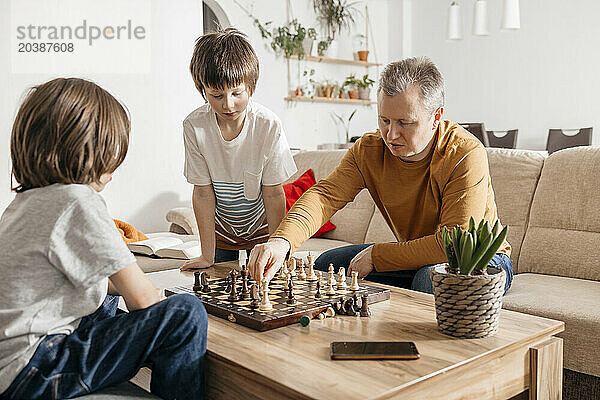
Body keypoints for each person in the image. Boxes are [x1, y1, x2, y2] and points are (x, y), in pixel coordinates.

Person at [0, 78, 207, 400]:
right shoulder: (76, 199)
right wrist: (155, 310)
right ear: (85, 151)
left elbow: (70, 286)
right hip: (36, 369)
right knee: (186, 313)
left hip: (11, 364)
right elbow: (143, 299)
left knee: (101, 293)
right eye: (113, 153)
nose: (116, 167)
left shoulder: (23, 204)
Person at [248, 57, 513, 294]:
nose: (391, 134)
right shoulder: (369, 149)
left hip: (481, 260)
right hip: (419, 255)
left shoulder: (465, 153)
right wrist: (281, 242)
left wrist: (378, 255)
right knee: (327, 265)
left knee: (428, 279)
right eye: (384, 120)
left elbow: (451, 245)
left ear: (436, 117)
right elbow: (324, 196)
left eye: (404, 123)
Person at [181, 28, 297, 270]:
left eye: (236, 93)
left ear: (251, 86)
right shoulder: (194, 125)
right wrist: (206, 255)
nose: (228, 104)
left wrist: (277, 246)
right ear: (203, 89)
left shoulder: (268, 124)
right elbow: (203, 193)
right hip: (221, 235)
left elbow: (274, 194)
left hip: (264, 232)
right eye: (216, 95)